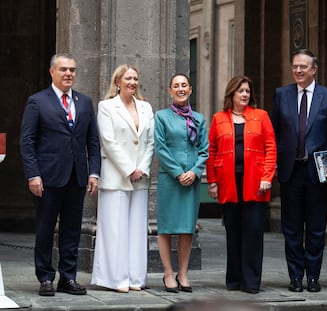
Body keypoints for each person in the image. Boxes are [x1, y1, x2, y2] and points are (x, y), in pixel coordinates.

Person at [20, 53, 101, 296]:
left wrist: (94, 172)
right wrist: (33, 175)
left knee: (72, 230)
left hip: (77, 177)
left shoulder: (84, 102)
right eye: (64, 69)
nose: (69, 74)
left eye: (72, 70)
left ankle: (68, 277)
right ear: (52, 71)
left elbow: (92, 141)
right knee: (45, 229)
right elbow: (27, 141)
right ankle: (45, 278)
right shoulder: (37, 101)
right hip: (47, 178)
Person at [270, 49, 327, 292]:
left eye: (303, 67)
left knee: (315, 227)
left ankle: (313, 276)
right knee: (291, 228)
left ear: (314, 69)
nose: (298, 71)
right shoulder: (282, 95)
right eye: (295, 67)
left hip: (318, 173)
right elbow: (274, 134)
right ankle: (295, 277)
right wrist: (272, 165)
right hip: (291, 172)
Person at [206, 76, 277, 294]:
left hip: (256, 183)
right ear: (232, 95)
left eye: (247, 91)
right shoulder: (219, 119)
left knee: (253, 233)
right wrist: (212, 181)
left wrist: (267, 177)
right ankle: (234, 280)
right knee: (233, 232)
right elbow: (211, 151)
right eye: (240, 91)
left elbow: (270, 148)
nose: (245, 94)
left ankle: (251, 282)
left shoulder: (261, 116)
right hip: (228, 183)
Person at [91, 65, 154, 293]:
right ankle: (115, 279)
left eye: (136, 78)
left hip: (140, 178)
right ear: (118, 81)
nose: (133, 82)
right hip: (116, 176)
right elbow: (108, 141)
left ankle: (136, 278)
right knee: (114, 230)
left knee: (137, 230)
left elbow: (150, 142)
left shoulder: (146, 107)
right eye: (128, 78)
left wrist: (142, 168)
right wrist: (129, 169)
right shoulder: (106, 107)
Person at [154, 73, 209, 293]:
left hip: (192, 181)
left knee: (187, 228)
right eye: (176, 86)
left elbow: (204, 150)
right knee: (166, 228)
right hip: (170, 179)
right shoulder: (161, 117)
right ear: (170, 91)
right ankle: (168, 273)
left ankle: (183, 273)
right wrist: (178, 173)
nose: (180, 89)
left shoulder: (200, 119)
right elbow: (160, 147)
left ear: (191, 89)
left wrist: (195, 172)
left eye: (184, 85)